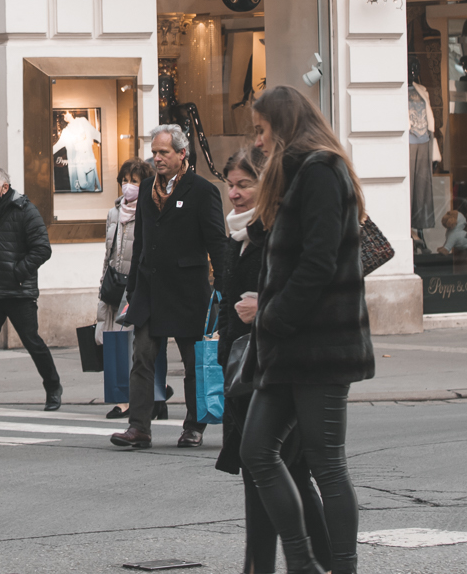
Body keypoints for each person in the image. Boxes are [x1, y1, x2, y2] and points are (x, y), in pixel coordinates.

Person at [241, 86, 372, 574]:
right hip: (288, 346)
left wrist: (275, 317)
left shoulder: (320, 170)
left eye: (261, 129)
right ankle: (302, 561)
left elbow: (318, 259)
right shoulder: (295, 172)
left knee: (327, 464)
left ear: (284, 124)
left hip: (319, 343)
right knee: (256, 450)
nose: (257, 141)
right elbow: (289, 242)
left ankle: (339, 567)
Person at [112, 125, 227, 450]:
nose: (157, 158)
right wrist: (132, 291)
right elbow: (142, 244)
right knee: (143, 357)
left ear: (182, 155)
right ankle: (139, 427)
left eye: (164, 152)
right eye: (155, 152)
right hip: (150, 291)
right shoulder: (147, 188)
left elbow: (217, 242)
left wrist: (223, 287)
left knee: (194, 364)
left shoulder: (202, 191)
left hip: (189, 292)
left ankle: (194, 427)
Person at [0, 165, 61, 414]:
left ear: (4, 187)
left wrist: (17, 272)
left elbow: (42, 249)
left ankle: (53, 387)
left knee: (32, 342)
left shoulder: (25, 210)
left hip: (19, 292)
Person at [97, 158, 154, 421]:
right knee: (114, 343)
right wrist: (102, 287)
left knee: (136, 346)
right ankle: (122, 399)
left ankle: (152, 393)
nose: (127, 186)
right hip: (114, 284)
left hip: (136, 286)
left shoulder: (149, 211)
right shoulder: (113, 213)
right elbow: (108, 253)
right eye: (124, 180)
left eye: (134, 181)